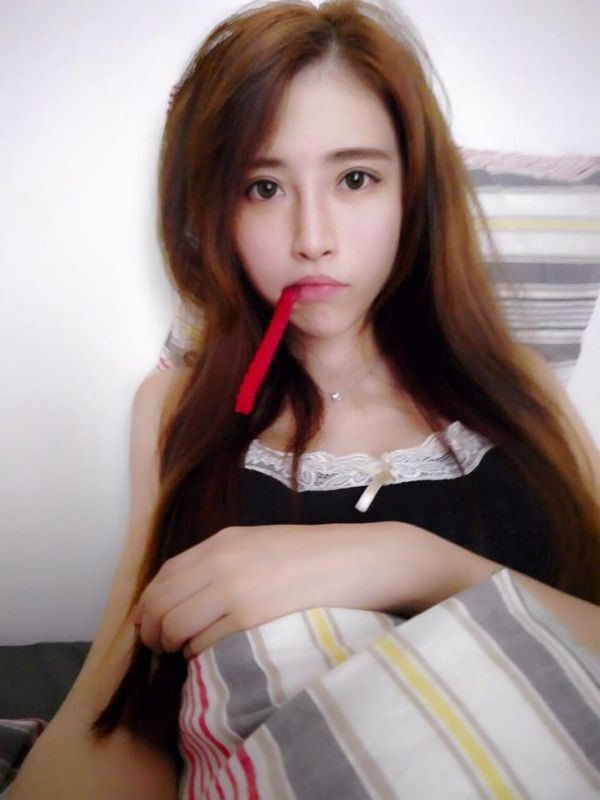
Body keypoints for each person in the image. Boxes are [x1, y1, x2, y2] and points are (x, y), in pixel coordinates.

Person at [10, 0, 600, 797]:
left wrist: (406, 560)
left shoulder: (520, 386)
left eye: (355, 178)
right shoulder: (178, 405)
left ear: (412, 193)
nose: (312, 238)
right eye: (263, 187)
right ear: (213, 211)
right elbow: (120, 702)